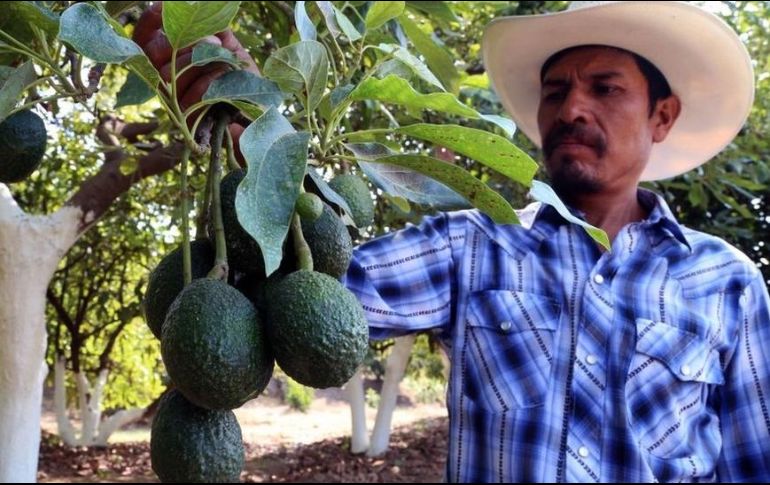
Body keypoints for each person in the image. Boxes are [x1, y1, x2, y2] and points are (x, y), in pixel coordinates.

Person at [135, 1, 770, 482]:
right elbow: (315, 285)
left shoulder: (728, 281)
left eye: (605, 88)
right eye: (556, 91)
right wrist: (263, 132)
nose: (573, 109)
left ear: (662, 116)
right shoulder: (474, 246)